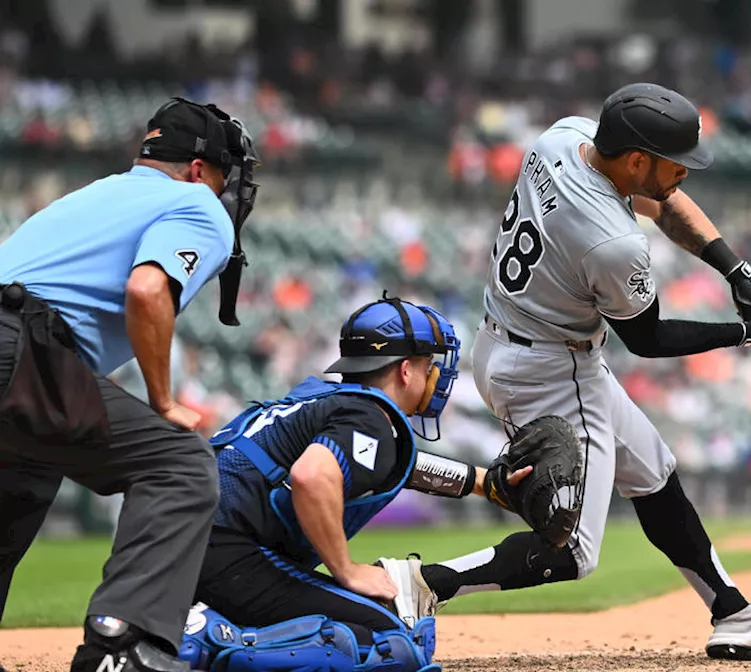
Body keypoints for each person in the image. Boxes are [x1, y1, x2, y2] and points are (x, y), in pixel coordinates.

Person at [394, 82, 751, 660]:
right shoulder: (612, 242)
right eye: (676, 164)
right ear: (635, 160)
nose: (686, 175)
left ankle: (733, 613)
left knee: (653, 471)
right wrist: (747, 333)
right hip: (551, 368)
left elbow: (663, 201)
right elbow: (647, 340)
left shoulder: (566, 136)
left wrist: (735, 271)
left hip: (518, 341)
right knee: (571, 550)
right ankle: (418, 584)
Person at [0, 97, 259, 672]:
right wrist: (163, 400)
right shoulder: (197, 202)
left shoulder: (97, 193)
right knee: (181, 466)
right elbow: (147, 290)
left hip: (20, 352)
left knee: (18, 489)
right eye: (222, 176)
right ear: (198, 169)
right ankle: (122, 647)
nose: (224, 190)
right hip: (23, 350)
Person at [178, 296, 549, 672]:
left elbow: (395, 464)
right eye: (428, 365)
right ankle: (202, 641)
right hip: (225, 551)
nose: (434, 375)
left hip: (182, 543)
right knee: (392, 645)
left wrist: (485, 484)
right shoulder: (368, 416)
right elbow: (312, 476)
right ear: (406, 370)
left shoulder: (324, 401)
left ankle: (197, 621)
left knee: (371, 625)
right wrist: (346, 569)